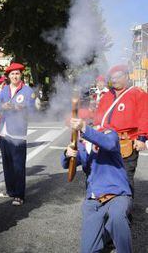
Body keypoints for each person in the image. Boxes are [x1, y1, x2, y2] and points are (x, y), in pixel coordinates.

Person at [61, 118, 132, 253]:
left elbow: (110, 144)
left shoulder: (109, 135)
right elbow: (67, 164)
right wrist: (67, 153)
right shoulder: (81, 146)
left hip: (117, 194)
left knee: (117, 218)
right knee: (88, 249)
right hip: (94, 199)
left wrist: (85, 128)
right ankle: (105, 235)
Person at [93, 65, 148, 195]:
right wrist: (96, 138)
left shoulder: (138, 93)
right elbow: (98, 119)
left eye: (118, 77)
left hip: (127, 142)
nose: (114, 80)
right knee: (107, 175)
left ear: (127, 76)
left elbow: (144, 116)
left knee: (125, 177)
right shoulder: (106, 96)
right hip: (106, 142)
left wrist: (141, 138)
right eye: (112, 77)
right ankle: (110, 207)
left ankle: (125, 210)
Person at [0, 62, 35, 206]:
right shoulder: (4, 89)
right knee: (7, 165)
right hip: (4, 132)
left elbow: (33, 110)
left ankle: (19, 195)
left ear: (21, 74)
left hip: (18, 132)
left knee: (18, 166)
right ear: (8, 76)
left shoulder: (28, 91)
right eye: (12, 74)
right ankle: (10, 190)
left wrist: (20, 108)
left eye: (17, 73)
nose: (15, 76)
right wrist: (2, 106)